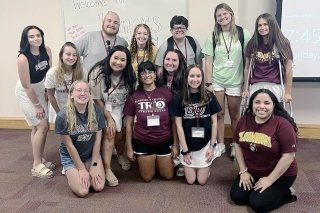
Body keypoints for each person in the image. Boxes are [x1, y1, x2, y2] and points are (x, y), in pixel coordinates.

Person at [230, 89, 298, 212]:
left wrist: (270, 179)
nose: (261, 106)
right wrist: (243, 171)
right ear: (252, 104)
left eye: (267, 103)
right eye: (257, 102)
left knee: (258, 204)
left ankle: (287, 193)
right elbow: (237, 145)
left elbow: (288, 156)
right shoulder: (244, 120)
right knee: (237, 197)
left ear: (273, 105)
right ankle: (261, 189)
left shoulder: (283, 125)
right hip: (253, 171)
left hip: (280, 174)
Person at [203, 3, 251, 159]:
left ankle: (235, 145)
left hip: (236, 81)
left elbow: (248, 62)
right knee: (219, 114)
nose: (222, 17)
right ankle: (220, 144)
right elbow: (208, 62)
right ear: (216, 19)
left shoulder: (244, 34)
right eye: (219, 16)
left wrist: (246, 82)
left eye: (225, 14)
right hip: (217, 80)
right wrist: (209, 84)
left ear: (231, 14)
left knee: (235, 114)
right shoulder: (212, 36)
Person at [88, 45, 136, 187]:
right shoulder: (97, 73)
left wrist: (129, 116)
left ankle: (120, 154)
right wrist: (109, 119)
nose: (118, 62)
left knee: (123, 133)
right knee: (110, 133)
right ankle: (108, 169)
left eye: (123, 60)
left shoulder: (129, 74)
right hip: (104, 106)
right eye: (115, 58)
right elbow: (97, 99)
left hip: (123, 106)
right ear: (110, 57)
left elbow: (131, 96)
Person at [124, 60, 178, 182]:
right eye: (143, 73)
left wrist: (175, 144)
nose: (147, 75)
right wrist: (129, 147)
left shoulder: (166, 93)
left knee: (168, 176)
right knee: (147, 178)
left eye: (150, 72)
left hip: (164, 140)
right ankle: (152, 161)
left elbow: (174, 121)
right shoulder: (134, 96)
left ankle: (158, 161)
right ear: (139, 77)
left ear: (155, 75)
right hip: (143, 141)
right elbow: (129, 123)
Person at [170, 64, 221, 185]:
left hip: (205, 143)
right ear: (186, 78)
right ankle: (191, 165)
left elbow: (214, 122)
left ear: (202, 78)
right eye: (192, 76)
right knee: (191, 181)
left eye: (198, 76)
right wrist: (185, 151)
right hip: (187, 144)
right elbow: (179, 126)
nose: (195, 79)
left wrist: (212, 146)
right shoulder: (178, 98)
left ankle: (206, 169)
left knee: (202, 181)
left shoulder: (209, 96)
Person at [15, 25, 54, 178]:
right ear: (26, 39)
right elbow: (26, 85)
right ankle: (36, 165)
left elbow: (48, 73)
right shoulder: (23, 58)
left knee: (37, 127)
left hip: (40, 88)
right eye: (31, 36)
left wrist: (46, 90)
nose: (36, 38)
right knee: (42, 126)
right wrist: (37, 105)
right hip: (27, 92)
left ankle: (40, 158)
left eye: (38, 35)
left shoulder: (47, 50)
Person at [55, 80, 106, 197]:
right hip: (71, 157)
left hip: (90, 155)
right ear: (71, 94)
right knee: (83, 191)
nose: (83, 93)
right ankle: (70, 172)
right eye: (79, 90)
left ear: (89, 94)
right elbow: (69, 145)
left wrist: (93, 165)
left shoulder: (97, 112)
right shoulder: (62, 116)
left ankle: (85, 168)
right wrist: (81, 169)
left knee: (98, 186)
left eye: (86, 91)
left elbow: (98, 140)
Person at [243, 13, 293, 103]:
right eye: (259, 25)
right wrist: (245, 89)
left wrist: (288, 92)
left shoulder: (282, 43)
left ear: (272, 25)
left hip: (274, 85)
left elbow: (288, 69)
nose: (262, 28)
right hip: (256, 85)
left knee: (273, 115)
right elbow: (247, 68)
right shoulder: (252, 43)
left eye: (265, 24)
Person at [158, 49, 186, 176]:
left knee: (178, 123)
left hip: (182, 114)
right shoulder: (159, 77)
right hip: (165, 113)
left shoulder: (185, 77)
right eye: (167, 59)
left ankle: (182, 158)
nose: (170, 62)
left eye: (174, 60)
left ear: (180, 63)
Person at [76, 11, 128, 77]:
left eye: (115, 22)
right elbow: (71, 55)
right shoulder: (89, 37)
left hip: (114, 85)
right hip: (89, 85)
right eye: (109, 21)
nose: (112, 24)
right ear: (103, 22)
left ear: (119, 26)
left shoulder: (122, 42)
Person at [45, 42, 84, 123]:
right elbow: (50, 96)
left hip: (77, 105)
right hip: (59, 106)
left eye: (74, 55)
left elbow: (86, 92)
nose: (71, 57)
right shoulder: (52, 73)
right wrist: (60, 114)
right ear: (61, 56)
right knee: (64, 131)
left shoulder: (82, 71)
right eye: (68, 54)